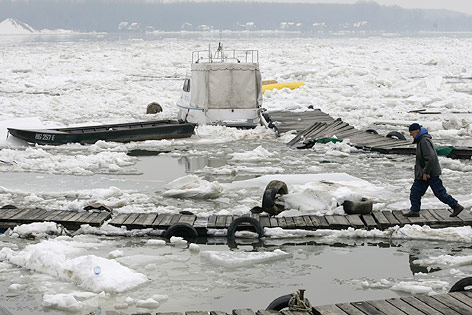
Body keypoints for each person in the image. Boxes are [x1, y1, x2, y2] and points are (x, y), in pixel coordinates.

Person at [404, 123, 464, 217]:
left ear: (417, 131)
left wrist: (426, 172)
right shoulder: (422, 140)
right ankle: (414, 210)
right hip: (424, 173)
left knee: (440, 193)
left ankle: (456, 206)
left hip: (429, 173)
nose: (411, 134)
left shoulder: (424, 141)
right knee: (415, 192)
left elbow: (431, 157)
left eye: (411, 132)